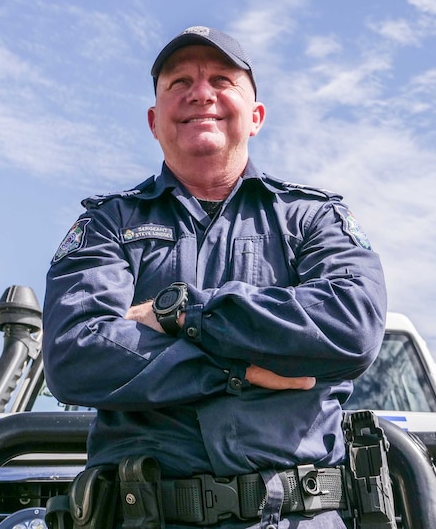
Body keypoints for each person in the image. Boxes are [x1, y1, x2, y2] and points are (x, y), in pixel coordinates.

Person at [43, 26, 387, 529]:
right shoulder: (107, 224)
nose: (200, 92)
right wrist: (235, 371)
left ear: (256, 117)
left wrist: (182, 313)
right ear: (154, 120)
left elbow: (351, 327)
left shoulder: (313, 219)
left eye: (222, 80)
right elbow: (75, 354)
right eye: (179, 81)